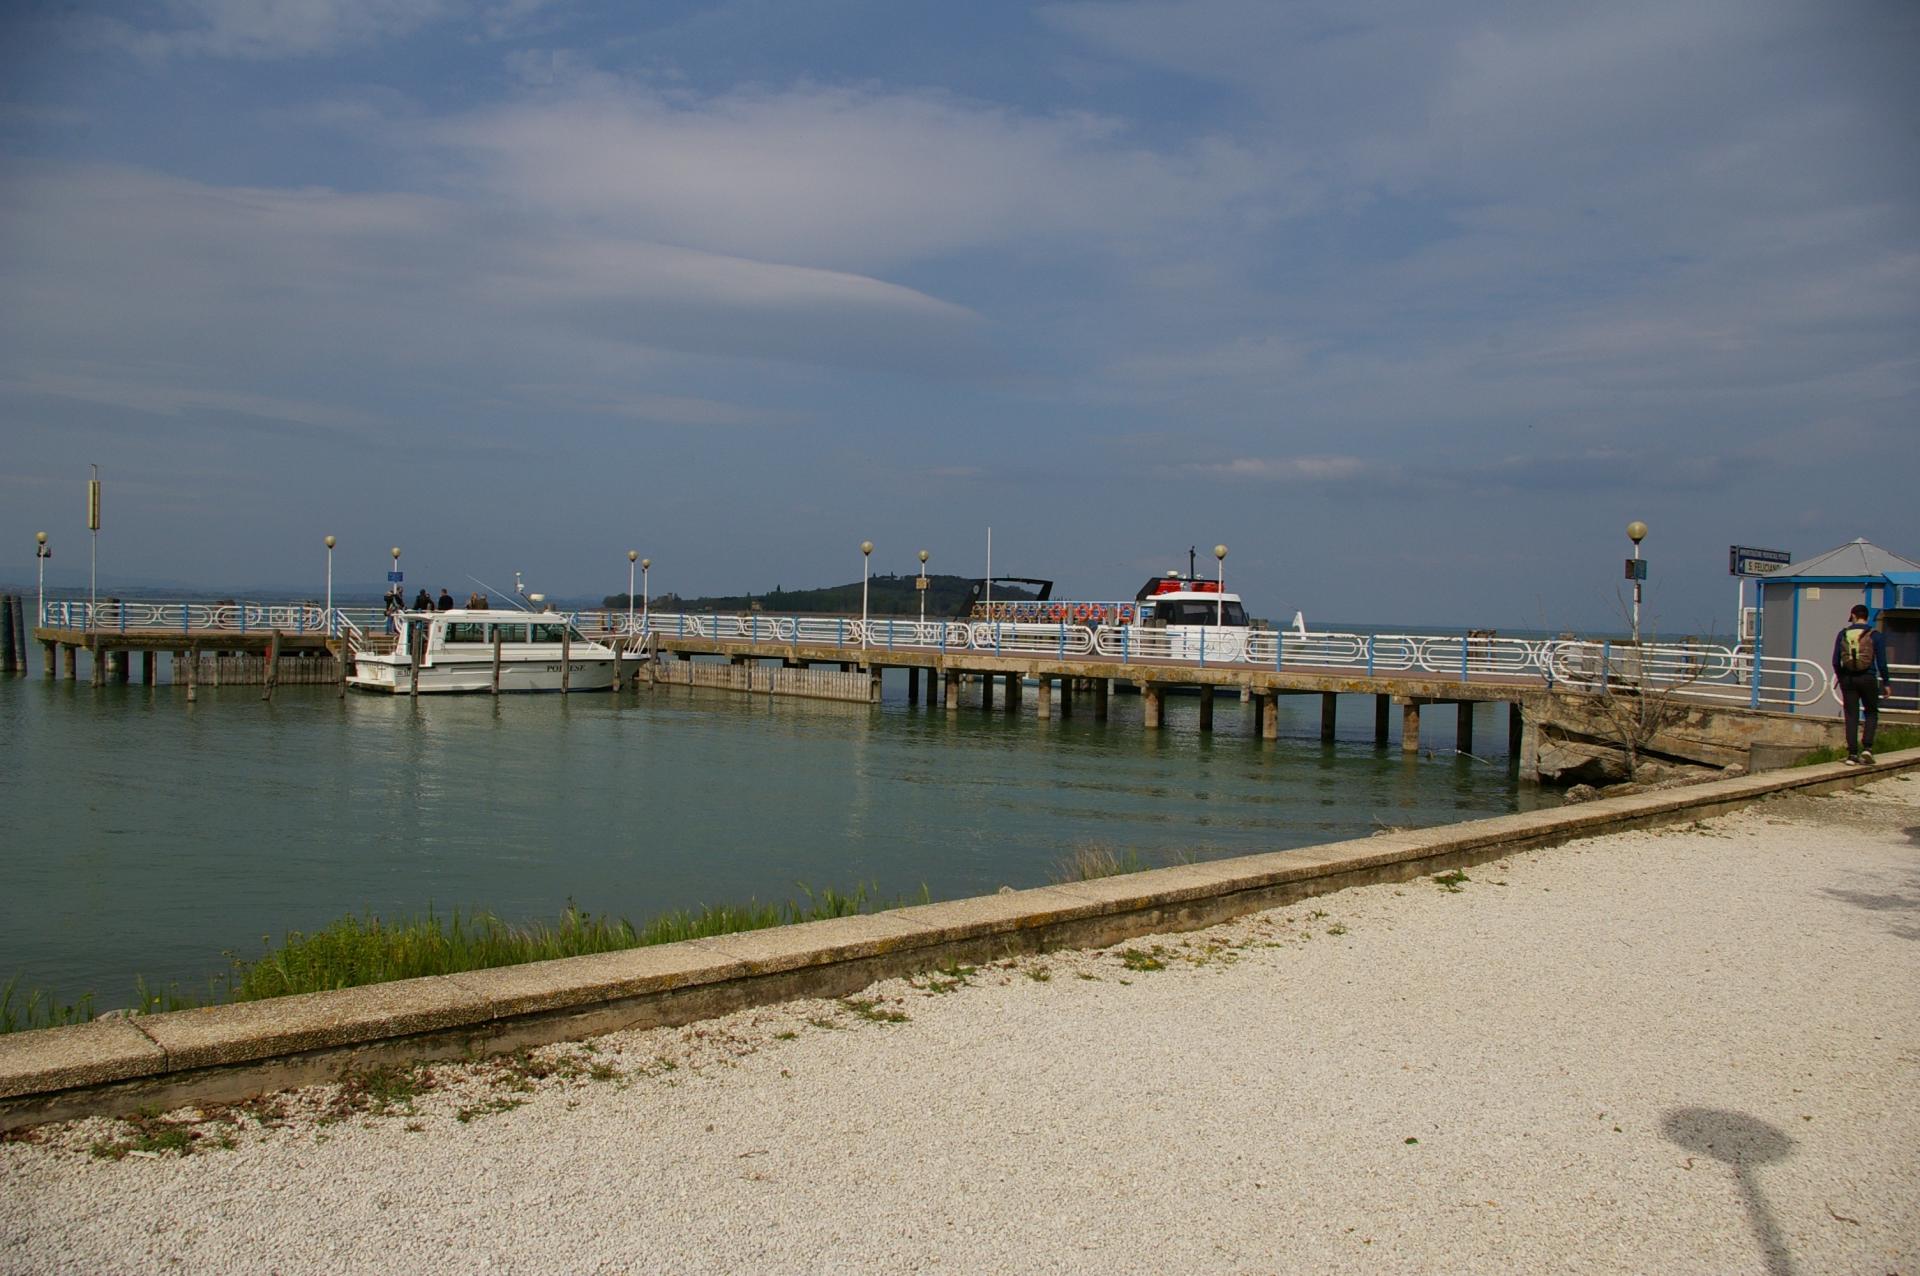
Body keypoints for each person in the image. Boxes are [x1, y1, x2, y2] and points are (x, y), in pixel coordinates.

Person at [1832, 603, 1890, 764]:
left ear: (1853, 616)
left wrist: (1841, 677)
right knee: (1871, 712)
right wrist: (1886, 682)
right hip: (1868, 678)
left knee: (1851, 715)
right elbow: (1882, 662)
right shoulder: (1875, 635)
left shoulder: (1843, 634)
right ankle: (1867, 748)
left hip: (1848, 679)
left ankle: (1852, 754)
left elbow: (1835, 661)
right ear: (1867, 616)